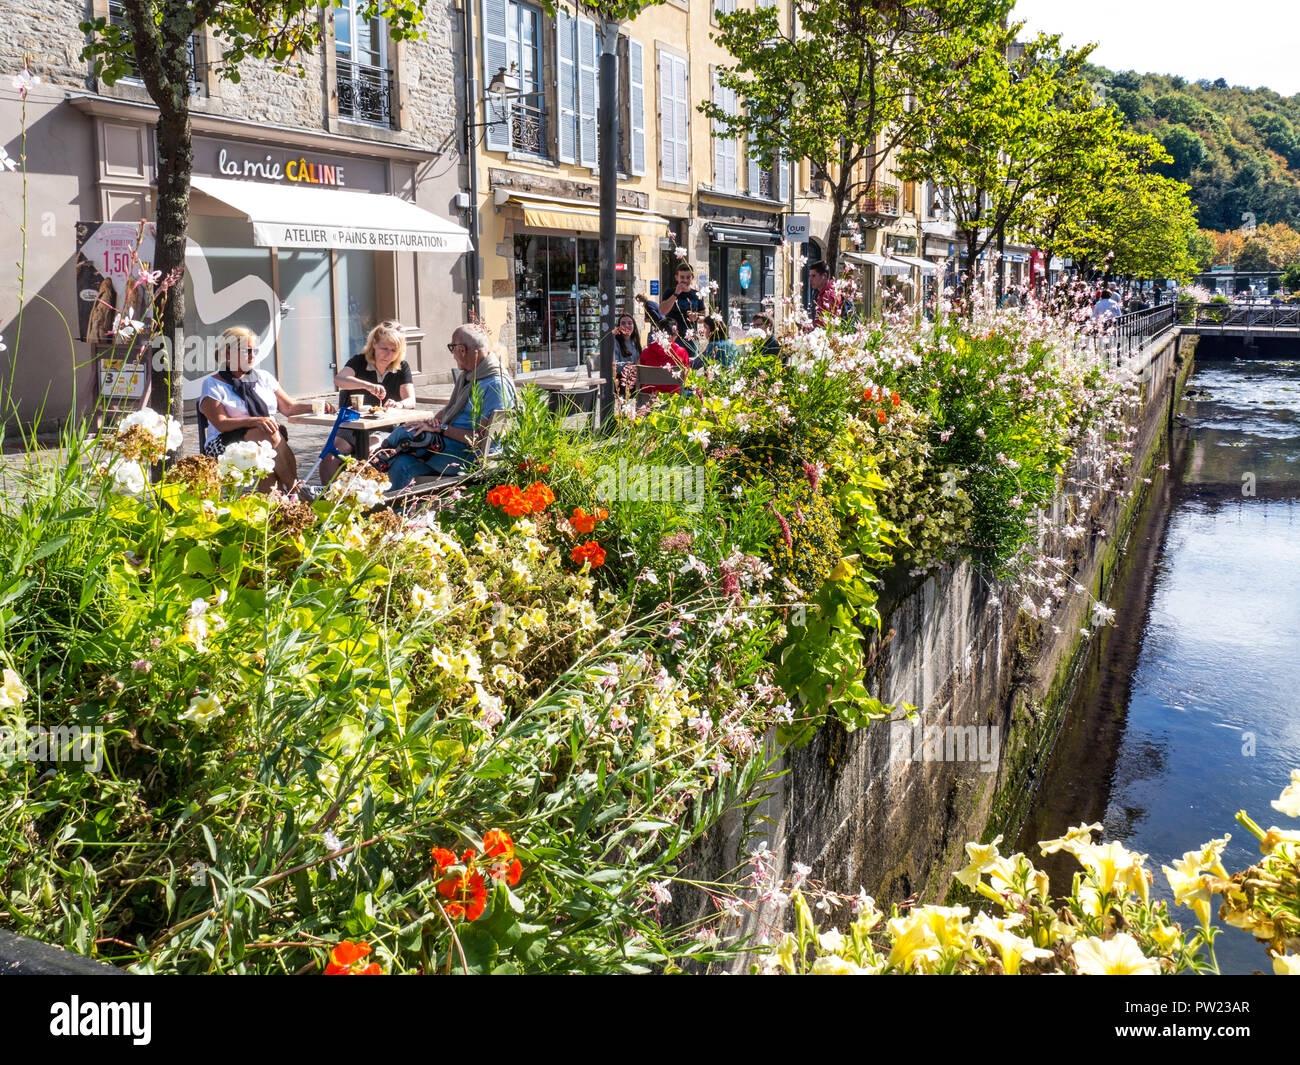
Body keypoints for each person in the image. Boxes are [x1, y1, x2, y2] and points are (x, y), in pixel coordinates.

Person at [378, 323, 516, 492]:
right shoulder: (470, 375)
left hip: (471, 457)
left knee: (407, 435)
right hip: (449, 447)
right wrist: (431, 423)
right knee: (401, 463)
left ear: (462, 349)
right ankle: (389, 515)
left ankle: (363, 474)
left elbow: (483, 439)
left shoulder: (495, 385)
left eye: (452, 348)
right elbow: (450, 410)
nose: (452, 355)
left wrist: (441, 429)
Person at [198, 325, 327, 493]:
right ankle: (297, 491)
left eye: (255, 351)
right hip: (224, 445)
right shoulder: (212, 384)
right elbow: (221, 423)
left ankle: (275, 508)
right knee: (268, 437)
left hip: (265, 438)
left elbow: (288, 407)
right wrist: (256, 421)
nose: (252, 356)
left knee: (267, 452)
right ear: (228, 353)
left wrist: (316, 406)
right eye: (247, 351)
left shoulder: (264, 377)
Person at [321, 321, 415, 483]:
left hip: (385, 428)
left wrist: (398, 404)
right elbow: (339, 379)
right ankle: (327, 501)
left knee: (370, 455)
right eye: (384, 348)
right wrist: (367, 385)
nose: (389, 354)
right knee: (330, 456)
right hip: (353, 425)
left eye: (393, 350)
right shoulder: (360, 361)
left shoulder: (401, 367)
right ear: (374, 344)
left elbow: (410, 400)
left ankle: (361, 499)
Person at [657, 261, 704, 361]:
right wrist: (676, 294)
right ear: (676, 277)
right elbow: (662, 311)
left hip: (690, 338)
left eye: (688, 277)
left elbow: (703, 316)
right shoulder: (670, 292)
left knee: (691, 367)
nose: (685, 280)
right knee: (672, 364)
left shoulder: (697, 294)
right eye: (682, 277)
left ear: (692, 277)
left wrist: (697, 317)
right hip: (673, 337)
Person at [637, 319, 691, 396]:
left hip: (647, 399)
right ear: (676, 335)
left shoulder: (645, 352)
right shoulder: (681, 352)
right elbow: (685, 378)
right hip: (672, 400)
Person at [809, 260, 842, 327]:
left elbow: (830, 325)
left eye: (814, 276)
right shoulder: (824, 293)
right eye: (810, 276)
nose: (810, 279)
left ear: (824, 275)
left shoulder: (829, 295)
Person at [613, 312, 642, 377]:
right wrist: (633, 365)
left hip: (636, 378)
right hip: (622, 380)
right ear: (619, 327)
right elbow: (615, 366)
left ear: (634, 326)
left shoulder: (635, 341)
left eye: (630, 323)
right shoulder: (615, 343)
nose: (626, 325)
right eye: (623, 323)